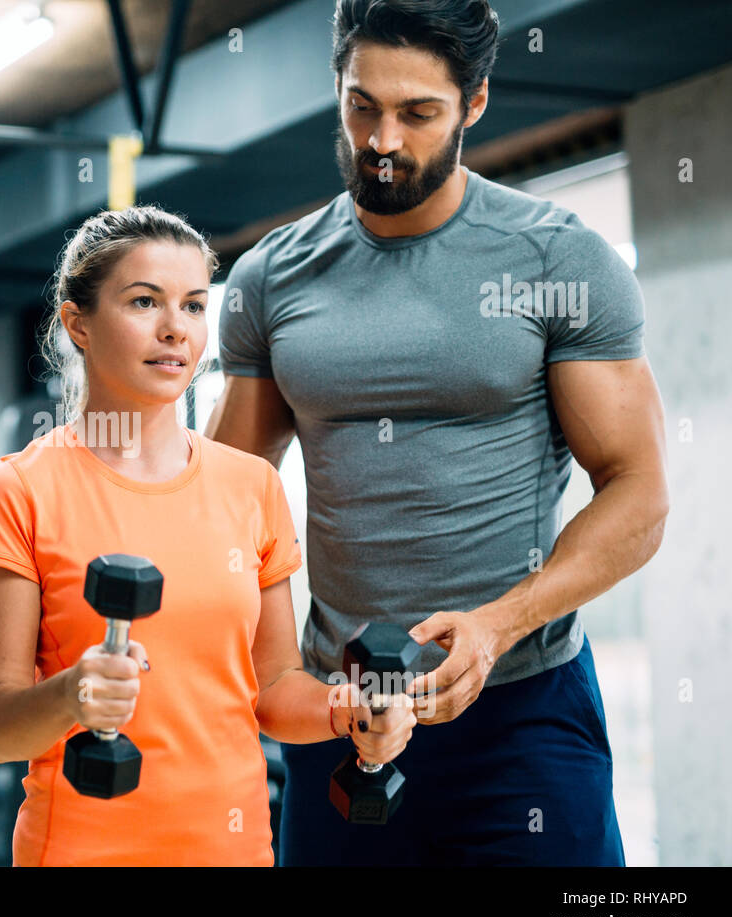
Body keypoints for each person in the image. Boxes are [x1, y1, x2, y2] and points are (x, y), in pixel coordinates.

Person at [207, 0, 669, 865]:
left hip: (521, 710)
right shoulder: (272, 276)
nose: (382, 140)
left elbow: (638, 494)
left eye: (418, 113)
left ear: (476, 103)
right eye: (361, 106)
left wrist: (501, 622)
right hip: (342, 711)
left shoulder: (556, 260)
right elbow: (225, 488)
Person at [0, 204, 416, 866]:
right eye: (145, 302)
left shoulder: (249, 485)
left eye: (195, 306)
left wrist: (348, 713)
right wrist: (69, 694)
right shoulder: (20, 493)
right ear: (77, 322)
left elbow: (274, 687)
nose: (176, 329)